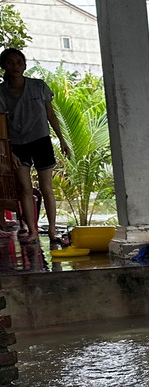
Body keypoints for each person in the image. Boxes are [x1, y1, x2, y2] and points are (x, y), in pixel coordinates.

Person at [0, 48, 71, 251]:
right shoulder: (1, 92)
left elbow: (51, 114)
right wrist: (8, 152)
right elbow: (1, 125)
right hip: (17, 144)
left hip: (41, 140)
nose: (15, 66)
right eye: (10, 62)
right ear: (4, 66)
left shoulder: (38, 86)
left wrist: (62, 140)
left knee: (46, 187)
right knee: (25, 187)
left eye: (19, 62)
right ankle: (32, 231)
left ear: (25, 65)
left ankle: (52, 230)